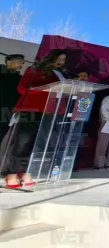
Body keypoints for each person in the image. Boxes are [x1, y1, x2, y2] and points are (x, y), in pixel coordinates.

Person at [2, 51, 67, 188]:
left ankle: (25, 172)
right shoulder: (34, 69)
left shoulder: (59, 74)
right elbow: (22, 89)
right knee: (22, 143)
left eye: (63, 59)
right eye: (59, 58)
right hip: (29, 109)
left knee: (35, 145)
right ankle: (11, 174)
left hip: (48, 112)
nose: (61, 62)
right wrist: (45, 89)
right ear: (50, 57)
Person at [0, 54, 24, 147]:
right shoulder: (2, 76)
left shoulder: (21, 78)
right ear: (9, 62)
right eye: (19, 61)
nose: (22, 63)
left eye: (22, 62)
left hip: (10, 111)